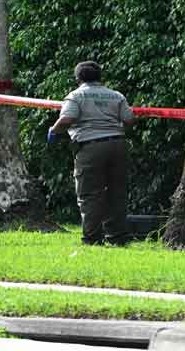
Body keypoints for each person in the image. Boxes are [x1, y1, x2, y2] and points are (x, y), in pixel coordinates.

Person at [48, 61, 135, 246]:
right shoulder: (116, 95)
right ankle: (117, 237)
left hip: (90, 146)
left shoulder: (76, 95)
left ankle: (92, 239)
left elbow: (68, 118)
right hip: (118, 145)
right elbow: (129, 119)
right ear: (100, 77)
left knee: (90, 194)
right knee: (117, 192)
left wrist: (54, 130)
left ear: (78, 78)